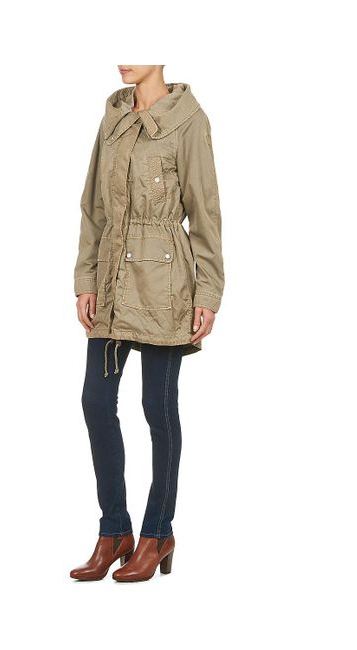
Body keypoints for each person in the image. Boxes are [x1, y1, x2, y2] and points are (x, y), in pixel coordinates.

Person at [70, 65, 225, 582]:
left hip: (165, 286)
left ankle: (158, 533)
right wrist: (85, 279)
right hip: (112, 282)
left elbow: (205, 211)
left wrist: (208, 292)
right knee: (96, 401)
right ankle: (114, 530)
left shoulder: (189, 120)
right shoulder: (113, 116)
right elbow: (94, 207)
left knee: (157, 409)